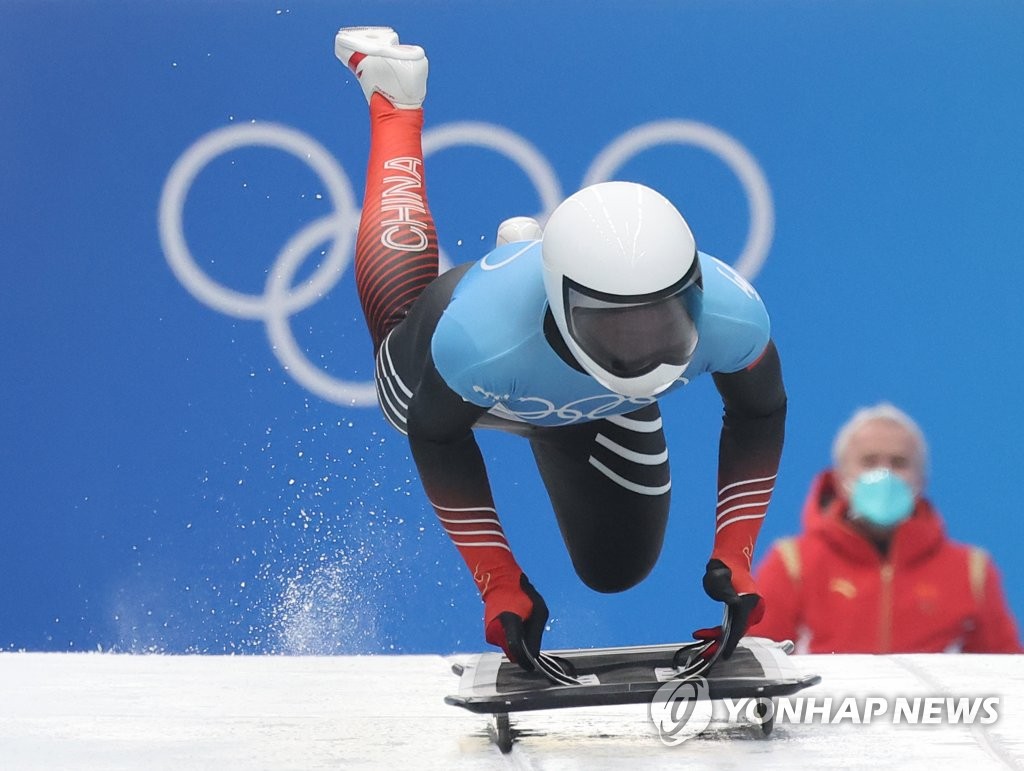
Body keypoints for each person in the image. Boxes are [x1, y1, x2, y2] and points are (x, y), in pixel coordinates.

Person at [334, 26, 787, 668]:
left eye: (664, 321)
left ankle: (525, 250)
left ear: (694, 291)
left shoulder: (733, 314)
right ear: (561, 303)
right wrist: (498, 581)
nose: (644, 344)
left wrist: (736, 558)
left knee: (615, 568)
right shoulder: (477, 343)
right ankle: (393, 104)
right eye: (616, 326)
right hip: (495, 358)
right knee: (401, 392)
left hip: (584, 393)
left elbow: (760, 412)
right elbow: (437, 438)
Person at [750, 403, 1022, 653]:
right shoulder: (792, 565)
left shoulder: (971, 571)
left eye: (899, 463)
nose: (884, 474)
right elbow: (755, 672)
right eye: (869, 461)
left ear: (922, 478)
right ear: (840, 475)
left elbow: (1007, 682)